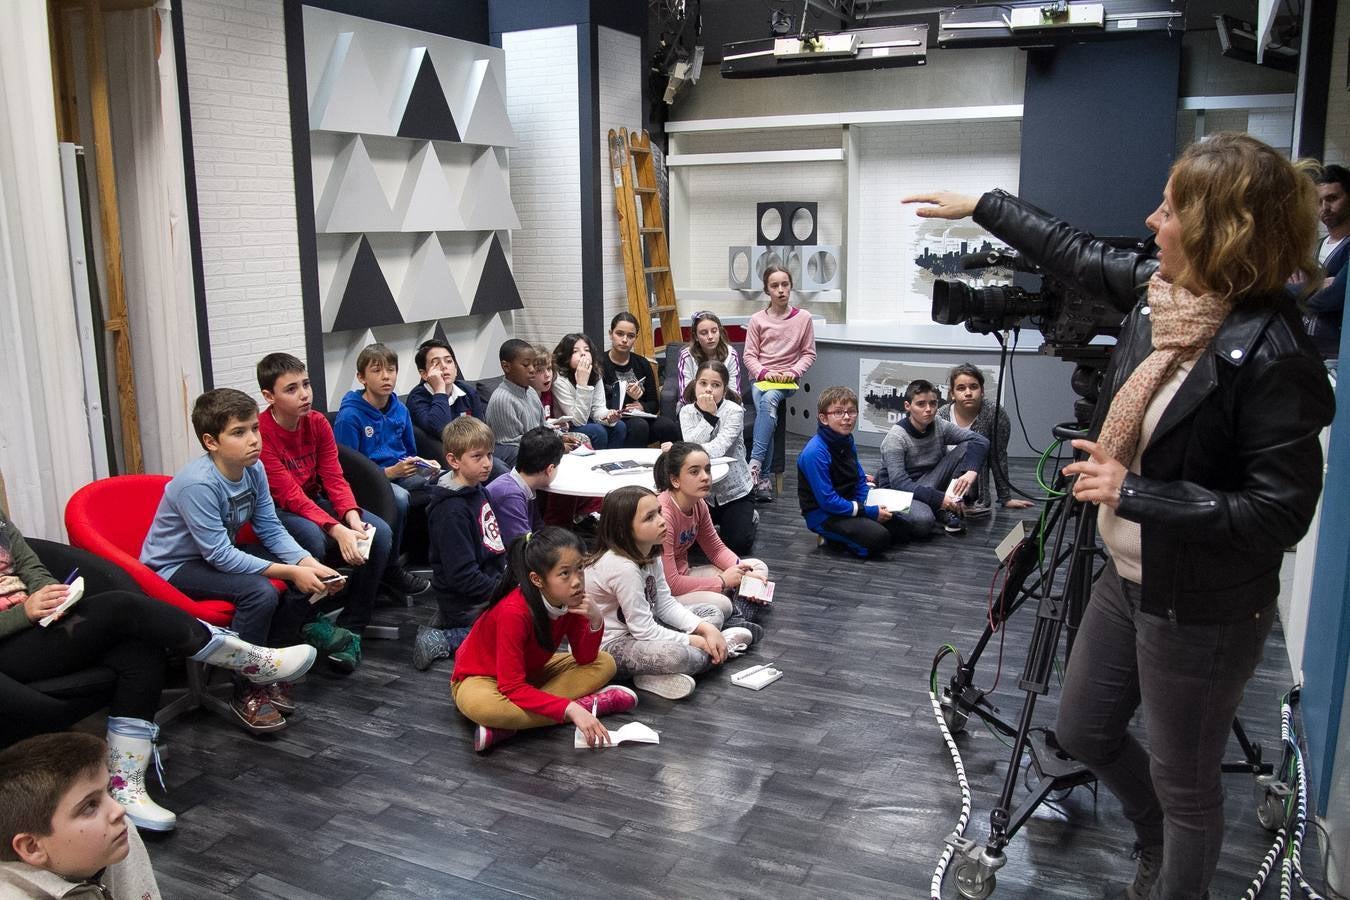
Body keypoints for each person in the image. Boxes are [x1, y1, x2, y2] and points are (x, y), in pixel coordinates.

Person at [904, 131, 1335, 900]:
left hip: (1203, 606)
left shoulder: (1275, 356)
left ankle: (1175, 873)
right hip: (1125, 577)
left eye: (1168, 211)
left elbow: (1280, 514)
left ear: (1216, 231)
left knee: (1189, 783)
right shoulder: (1166, 301)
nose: (1150, 221)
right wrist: (985, 207)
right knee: (1083, 733)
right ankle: (1155, 840)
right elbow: (1073, 254)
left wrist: (1132, 492)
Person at [0, 512, 315, 831]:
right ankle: (249, 661)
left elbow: (31, 567)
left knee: (139, 647)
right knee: (122, 607)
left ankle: (124, 786)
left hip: (36, 625)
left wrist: (53, 596)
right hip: (8, 643)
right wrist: (24, 612)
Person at [142, 388, 342, 733]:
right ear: (211, 441)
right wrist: (292, 570)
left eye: (254, 428)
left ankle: (271, 669)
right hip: (174, 567)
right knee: (260, 592)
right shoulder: (198, 484)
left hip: (215, 556)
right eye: (239, 432)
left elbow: (269, 527)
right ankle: (245, 690)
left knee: (305, 583)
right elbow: (219, 554)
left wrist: (308, 563)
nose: (253, 440)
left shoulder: (254, 469)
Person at [257, 352, 397, 673]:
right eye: (291, 389)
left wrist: (350, 517)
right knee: (313, 540)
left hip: (314, 503)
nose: (305, 394)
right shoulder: (262, 433)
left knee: (378, 533)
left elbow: (334, 477)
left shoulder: (318, 422)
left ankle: (352, 628)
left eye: (305, 384)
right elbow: (290, 496)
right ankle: (309, 623)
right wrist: (337, 529)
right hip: (280, 511)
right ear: (269, 396)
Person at [450, 528, 638, 752]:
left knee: (605, 662)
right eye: (565, 573)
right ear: (537, 579)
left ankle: (508, 727)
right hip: (481, 678)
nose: (577, 581)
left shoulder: (571, 599)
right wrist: (572, 709)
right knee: (485, 708)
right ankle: (590, 705)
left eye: (580, 569)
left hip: (529, 673)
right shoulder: (514, 612)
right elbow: (511, 687)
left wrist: (596, 620)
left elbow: (585, 658)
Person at [585, 485, 753, 700]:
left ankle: (654, 674)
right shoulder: (622, 567)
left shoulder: (651, 551)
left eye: (659, 512)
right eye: (649, 518)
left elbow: (665, 604)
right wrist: (695, 640)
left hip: (644, 632)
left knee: (712, 613)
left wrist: (705, 630)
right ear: (623, 529)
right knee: (676, 656)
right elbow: (644, 630)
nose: (661, 520)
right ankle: (719, 650)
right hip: (610, 646)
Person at [0, 732, 162, 898]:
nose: (119, 810)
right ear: (32, 847)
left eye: (110, 790)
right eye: (90, 806)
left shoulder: (118, 836)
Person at [332, 342, 436, 598]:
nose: (386, 376)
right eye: (377, 371)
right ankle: (389, 568)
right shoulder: (350, 416)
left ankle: (441, 558)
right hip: (369, 483)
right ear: (361, 377)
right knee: (398, 498)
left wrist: (425, 465)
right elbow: (348, 471)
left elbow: (409, 450)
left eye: (391, 370)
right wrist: (389, 473)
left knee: (448, 481)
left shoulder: (399, 409)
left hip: (401, 472)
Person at [413, 417, 508, 672]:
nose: (488, 463)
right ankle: (444, 637)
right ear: (454, 460)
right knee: (518, 634)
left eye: (489, 454)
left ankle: (453, 622)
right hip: (466, 598)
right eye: (477, 457)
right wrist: (505, 592)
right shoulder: (451, 512)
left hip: (488, 584)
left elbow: (493, 544)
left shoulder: (479, 490)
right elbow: (462, 577)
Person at [653, 442, 768, 635]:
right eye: (694, 472)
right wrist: (722, 581)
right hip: (664, 593)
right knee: (721, 604)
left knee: (757, 568)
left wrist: (743, 573)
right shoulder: (663, 515)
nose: (705, 477)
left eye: (707, 470)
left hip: (685, 576)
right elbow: (670, 583)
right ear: (675, 480)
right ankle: (735, 611)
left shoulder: (699, 504)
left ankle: (735, 615)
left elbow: (716, 549)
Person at [797, 386, 910, 558]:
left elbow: (858, 479)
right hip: (823, 514)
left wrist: (871, 503)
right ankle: (832, 538)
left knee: (902, 529)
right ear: (823, 418)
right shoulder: (815, 452)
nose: (847, 417)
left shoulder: (846, 440)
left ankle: (850, 531)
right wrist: (868, 512)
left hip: (848, 504)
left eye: (851, 411)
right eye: (838, 412)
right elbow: (827, 501)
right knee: (879, 539)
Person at [878, 379, 989, 537]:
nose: (928, 409)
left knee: (968, 446)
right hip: (901, 492)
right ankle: (940, 509)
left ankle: (945, 505)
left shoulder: (938, 424)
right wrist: (938, 498)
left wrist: (971, 472)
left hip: (931, 481)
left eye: (933, 403)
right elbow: (899, 483)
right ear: (908, 406)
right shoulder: (895, 438)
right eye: (921, 404)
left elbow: (981, 441)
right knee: (924, 522)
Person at [743, 264, 816, 500]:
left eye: (785, 284)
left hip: (787, 381)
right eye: (775, 286)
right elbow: (749, 356)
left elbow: (809, 353)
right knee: (767, 404)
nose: (781, 290)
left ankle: (754, 468)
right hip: (761, 379)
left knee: (771, 399)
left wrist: (793, 372)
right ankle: (763, 479)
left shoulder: (803, 318)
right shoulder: (757, 320)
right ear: (767, 290)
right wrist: (764, 373)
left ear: (791, 286)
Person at [678, 360, 757, 554]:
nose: (708, 390)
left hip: (734, 490)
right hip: (701, 493)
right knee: (690, 544)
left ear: (724, 388)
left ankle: (750, 517)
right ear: (694, 384)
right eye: (703, 383)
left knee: (737, 544)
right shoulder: (687, 411)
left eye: (716, 385)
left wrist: (711, 416)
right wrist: (709, 417)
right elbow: (691, 446)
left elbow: (718, 448)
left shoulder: (734, 411)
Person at [937, 363, 1035, 514]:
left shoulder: (994, 414)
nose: (968, 393)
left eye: (974, 387)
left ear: (982, 391)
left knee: (975, 447)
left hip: (974, 486)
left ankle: (964, 500)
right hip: (943, 482)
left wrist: (1005, 497)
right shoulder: (941, 415)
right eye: (961, 388)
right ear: (952, 393)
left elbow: (998, 456)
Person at [600, 312, 680, 447]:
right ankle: (634, 465)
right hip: (613, 419)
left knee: (667, 425)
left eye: (630, 336)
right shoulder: (600, 363)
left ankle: (675, 463)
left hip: (640, 416)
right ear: (610, 334)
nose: (624, 340)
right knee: (639, 425)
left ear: (635, 338)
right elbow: (599, 404)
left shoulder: (642, 363)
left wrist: (643, 406)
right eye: (619, 334)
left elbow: (654, 403)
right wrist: (627, 397)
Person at [1299, 164, 1350, 357]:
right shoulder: (1314, 247)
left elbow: (1333, 298)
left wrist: (1298, 290)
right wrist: (1319, 284)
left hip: (1337, 354)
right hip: (1306, 348)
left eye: (1332, 199)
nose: (1324, 208)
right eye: (1319, 201)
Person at [484, 426, 563, 546]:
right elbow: (521, 547)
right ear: (550, 469)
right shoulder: (510, 495)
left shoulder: (525, 487)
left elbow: (539, 529)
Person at [552, 333, 626, 450]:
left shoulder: (595, 373)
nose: (583, 353)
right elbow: (577, 421)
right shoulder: (559, 379)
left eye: (587, 350)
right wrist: (582, 384)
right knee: (597, 431)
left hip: (588, 419)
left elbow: (598, 409)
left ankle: (611, 464)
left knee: (619, 426)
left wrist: (608, 416)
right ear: (566, 357)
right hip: (567, 426)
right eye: (575, 351)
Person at [484, 338, 545, 466]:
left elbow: (541, 426)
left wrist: (559, 437)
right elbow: (513, 443)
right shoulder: (502, 399)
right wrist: (550, 445)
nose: (532, 369)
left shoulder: (531, 392)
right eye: (526, 365)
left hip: (536, 446)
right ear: (506, 366)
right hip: (514, 454)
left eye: (534, 364)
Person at [676, 310, 742, 405]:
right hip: (694, 405)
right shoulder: (686, 355)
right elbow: (685, 396)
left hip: (725, 406)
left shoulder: (731, 354)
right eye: (704, 333)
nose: (710, 336)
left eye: (714, 331)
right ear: (696, 337)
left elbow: (735, 394)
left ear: (720, 332)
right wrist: (705, 405)